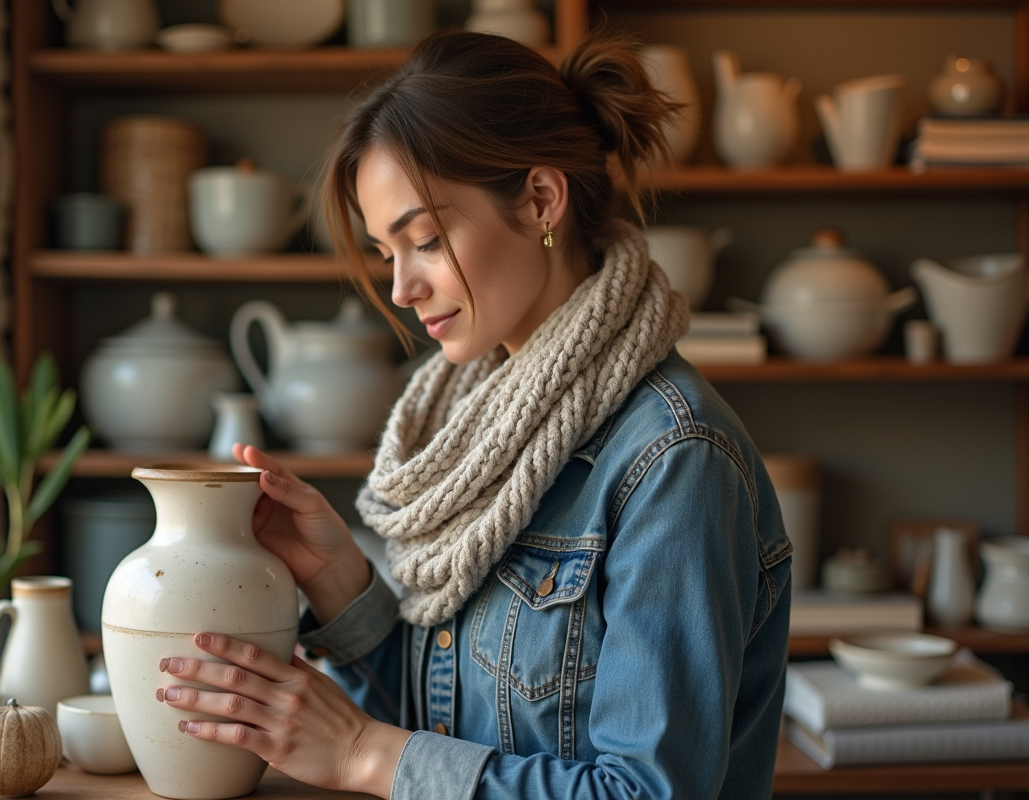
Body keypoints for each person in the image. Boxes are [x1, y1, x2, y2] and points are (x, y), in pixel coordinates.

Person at [154, 29, 792, 800]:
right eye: (387, 252)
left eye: (423, 239)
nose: (401, 288)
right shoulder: (477, 433)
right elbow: (453, 731)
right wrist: (339, 582)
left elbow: (646, 792)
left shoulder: (673, 460)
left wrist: (363, 752)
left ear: (541, 201)